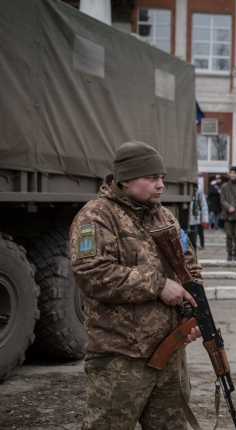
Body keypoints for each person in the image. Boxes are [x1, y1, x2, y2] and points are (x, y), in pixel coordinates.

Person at [70, 141, 202, 428]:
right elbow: (90, 273)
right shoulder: (96, 216)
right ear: (126, 179)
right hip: (121, 359)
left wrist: (191, 317)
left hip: (169, 355)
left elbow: (189, 266)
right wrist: (157, 285)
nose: (160, 186)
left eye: (162, 179)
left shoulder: (164, 216)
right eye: (152, 178)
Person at [189, 184, 208, 251]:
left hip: (194, 219)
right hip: (182, 219)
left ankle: (193, 259)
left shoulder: (198, 188)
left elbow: (203, 205)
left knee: (193, 241)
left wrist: (204, 219)